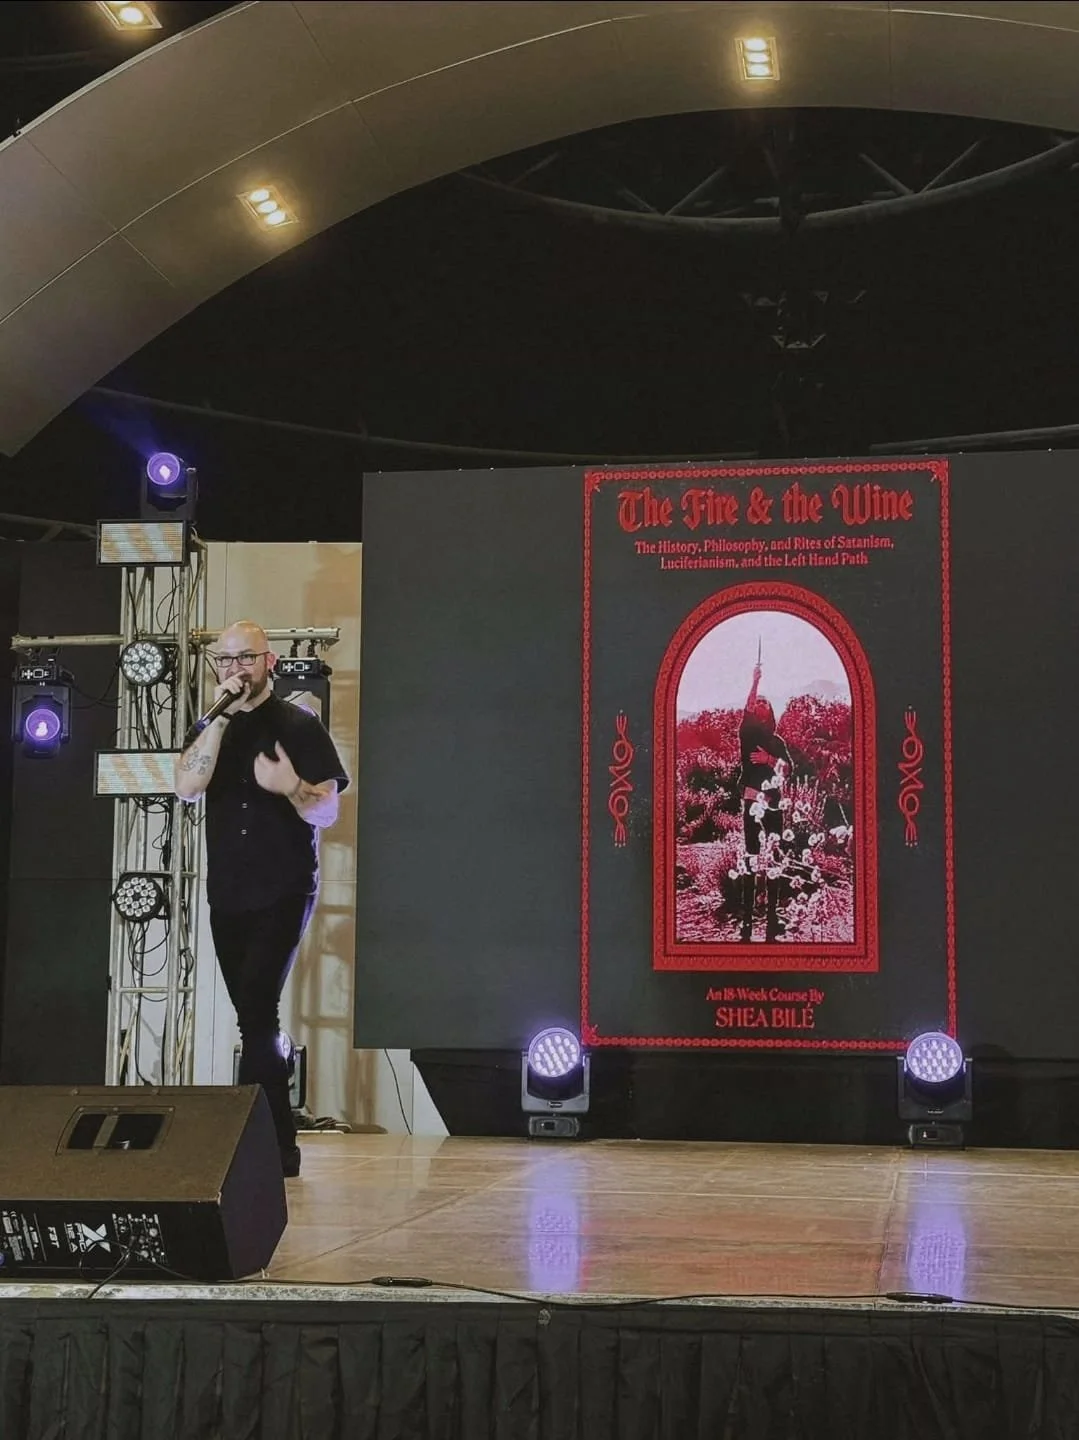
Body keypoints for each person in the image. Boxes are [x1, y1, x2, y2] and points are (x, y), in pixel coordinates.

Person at [174, 621, 349, 1178]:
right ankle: (276, 1146)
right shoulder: (210, 728)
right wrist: (219, 721)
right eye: (224, 661)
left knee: (256, 1009)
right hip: (228, 890)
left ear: (268, 661)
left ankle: (270, 1149)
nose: (234, 670)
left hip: (285, 885)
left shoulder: (299, 724)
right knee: (254, 1017)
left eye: (245, 658)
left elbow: (327, 810)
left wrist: (291, 786)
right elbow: (185, 787)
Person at [736, 662, 793, 943]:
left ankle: (772, 920)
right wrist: (755, 681)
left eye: (764, 703)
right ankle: (746, 922)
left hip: (773, 804)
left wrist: (770, 760)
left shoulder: (777, 741)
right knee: (750, 857)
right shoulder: (747, 735)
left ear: (770, 712)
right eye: (756, 702)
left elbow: (788, 769)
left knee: (774, 859)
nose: (758, 704)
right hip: (750, 800)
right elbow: (745, 709)